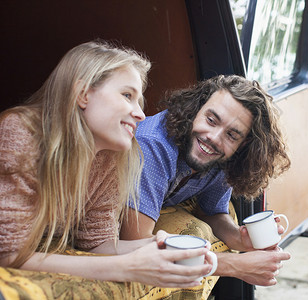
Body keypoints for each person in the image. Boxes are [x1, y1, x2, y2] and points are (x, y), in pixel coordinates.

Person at [0, 40, 215, 290]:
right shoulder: (20, 133)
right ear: (83, 94)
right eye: (127, 95)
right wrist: (128, 267)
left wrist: (157, 245)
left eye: (139, 101)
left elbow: (96, 242)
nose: (140, 114)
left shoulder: (107, 158)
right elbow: (8, 253)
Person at [121, 75, 292, 287]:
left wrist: (240, 239)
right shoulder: (153, 146)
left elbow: (211, 212)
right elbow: (136, 244)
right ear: (196, 109)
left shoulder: (221, 156)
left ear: (244, 143)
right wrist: (235, 265)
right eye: (211, 120)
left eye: (232, 135)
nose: (214, 137)